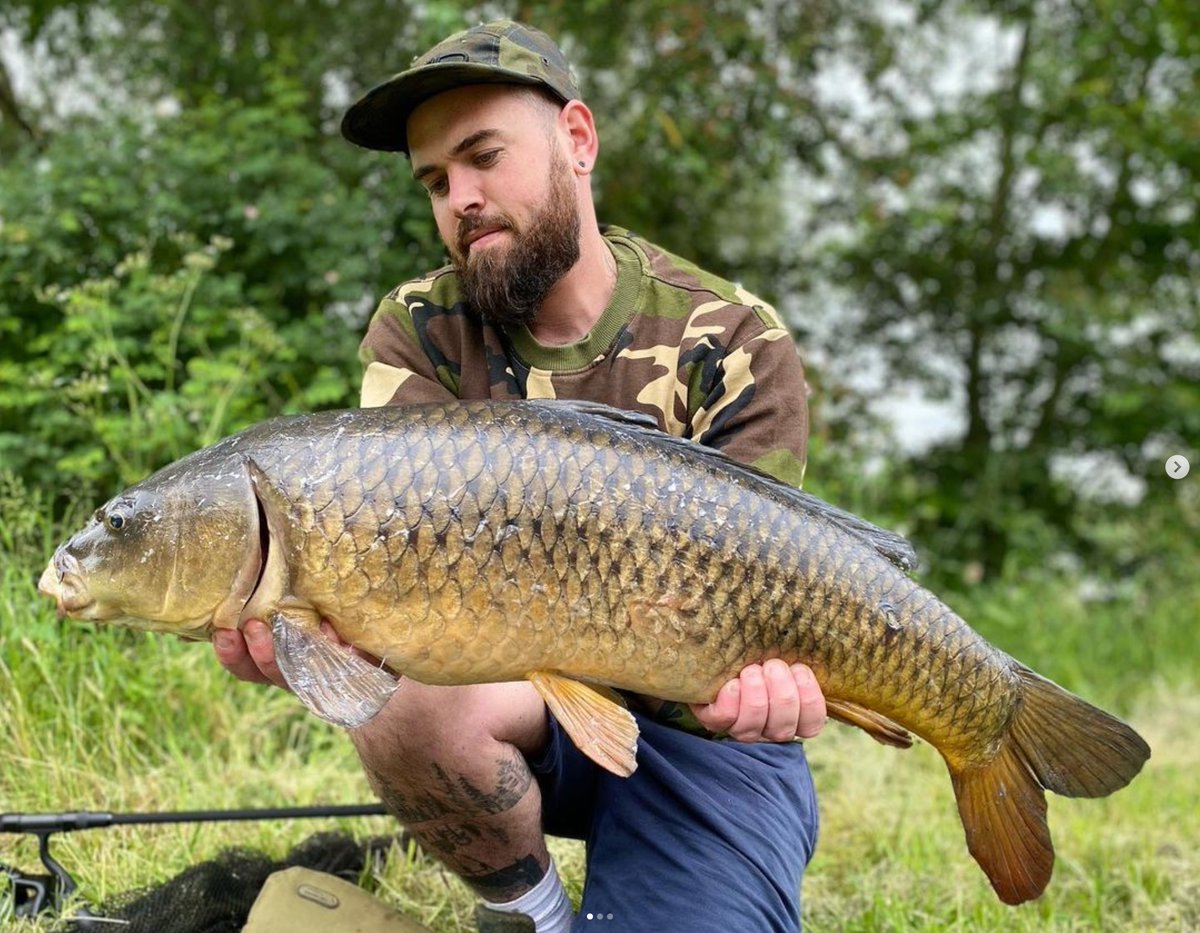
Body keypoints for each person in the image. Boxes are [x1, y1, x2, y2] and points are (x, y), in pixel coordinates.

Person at [214, 20, 827, 933]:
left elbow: (778, 581)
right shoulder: (422, 327)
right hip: (526, 708)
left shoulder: (732, 339)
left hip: (706, 737)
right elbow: (393, 583)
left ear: (576, 140)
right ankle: (536, 916)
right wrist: (315, 643)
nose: (461, 197)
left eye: (483, 156)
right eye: (434, 180)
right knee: (406, 689)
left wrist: (775, 687)